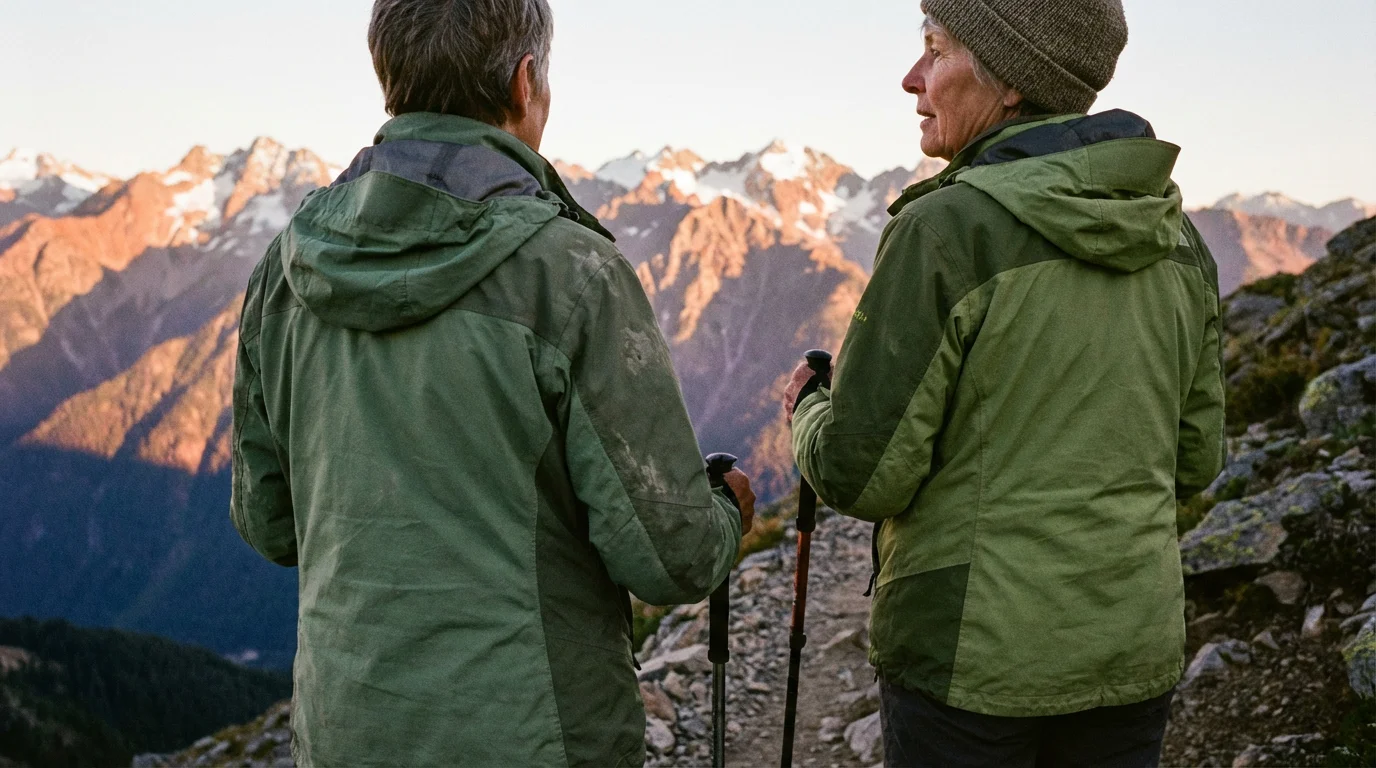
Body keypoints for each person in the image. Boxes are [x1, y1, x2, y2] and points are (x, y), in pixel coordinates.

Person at [230, 1, 754, 765]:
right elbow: (669, 559)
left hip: (345, 731)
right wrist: (724, 513)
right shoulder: (570, 273)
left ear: (390, 77)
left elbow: (270, 524)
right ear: (525, 80)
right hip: (534, 736)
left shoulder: (282, 272)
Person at [785, 0, 1225, 765]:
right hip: (1129, 650)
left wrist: (809, 410)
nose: (911, 78)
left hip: (970, 663)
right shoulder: (1177, 239)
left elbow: (863, 474)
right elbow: (1194, 462)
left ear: (1011, 82)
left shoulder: (947, 230)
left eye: (935, 49)